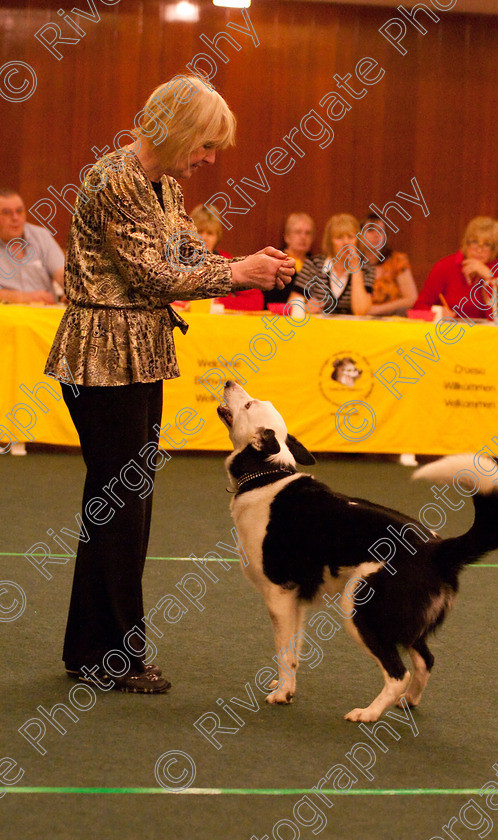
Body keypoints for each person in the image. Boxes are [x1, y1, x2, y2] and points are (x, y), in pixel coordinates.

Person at [44, 75, 294, 694]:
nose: (210, 160)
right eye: (206, 145)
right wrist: (239, 273)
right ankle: (113, 656)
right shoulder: (114, 179)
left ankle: (94, 649)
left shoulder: (164, 186)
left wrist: (247, 267)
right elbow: (153, 275)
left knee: (121, 502)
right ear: (179, 131)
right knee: (120, 506)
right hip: (103, 356)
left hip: (137, 354)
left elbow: (185, 259)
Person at [413, 217, 498, 319]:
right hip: (449, 331)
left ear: (494, 249)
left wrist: (489, 278)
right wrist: (438, 313)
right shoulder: (445, 266)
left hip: (489, 333)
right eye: (475, 242)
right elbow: (418, 308)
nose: (479, 250)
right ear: (466, 243)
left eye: (487, 244)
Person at [288, 214, 373, 315]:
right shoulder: (314, 264)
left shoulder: (367, 269)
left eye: (350, 237)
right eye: (339, 237)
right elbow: (293, 303)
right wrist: (305, 308)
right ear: (330, 242)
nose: (346, 242)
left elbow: (361, 311)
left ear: (357, 240)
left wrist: (356, 268)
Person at [190, 203, 264, 311]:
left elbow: (256, 301)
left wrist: (218, 301)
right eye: (200, 232)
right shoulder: (176, 261)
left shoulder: (226, 261)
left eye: (210, 233)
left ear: (217, 236)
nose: (204, 238)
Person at [0, 188, 64, 304]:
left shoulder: (41, 236)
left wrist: (74, 292)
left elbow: (62, 273)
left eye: (19, 211)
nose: (15, 218)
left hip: (45, 315)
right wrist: (21, 298)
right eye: (6, 212)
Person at [359, 213, 417, 314]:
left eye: (380, 231)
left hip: (392, 320)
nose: (376, 235)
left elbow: (412, 298)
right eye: (370, 230)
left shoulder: (397, 260)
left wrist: (376, 310)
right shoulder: (353, 262)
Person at [264, 212, 315, 308]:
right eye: (298, 232)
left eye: (307, 233)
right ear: (287, 237)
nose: (303, 237)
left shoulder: (316, 264)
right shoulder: (276, 261)